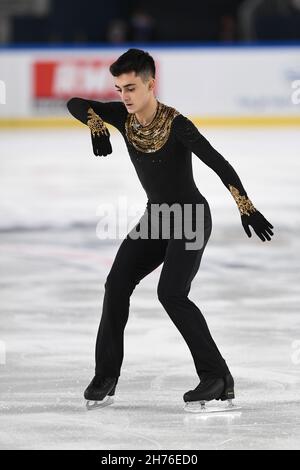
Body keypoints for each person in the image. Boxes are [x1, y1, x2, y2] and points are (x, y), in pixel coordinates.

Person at [66, 48, 274, 410]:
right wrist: (95, 122)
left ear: (151, 84)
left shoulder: (177, 124)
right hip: (157, 218)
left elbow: (218, 162)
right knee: (116, 284)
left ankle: (217, 376)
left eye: (131, 88)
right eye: (119, 89)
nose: (125, 96)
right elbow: (74, 102)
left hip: (191, 216)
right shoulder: (122, 115)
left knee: (171, 293)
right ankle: (106, 376)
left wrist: (245, 205)